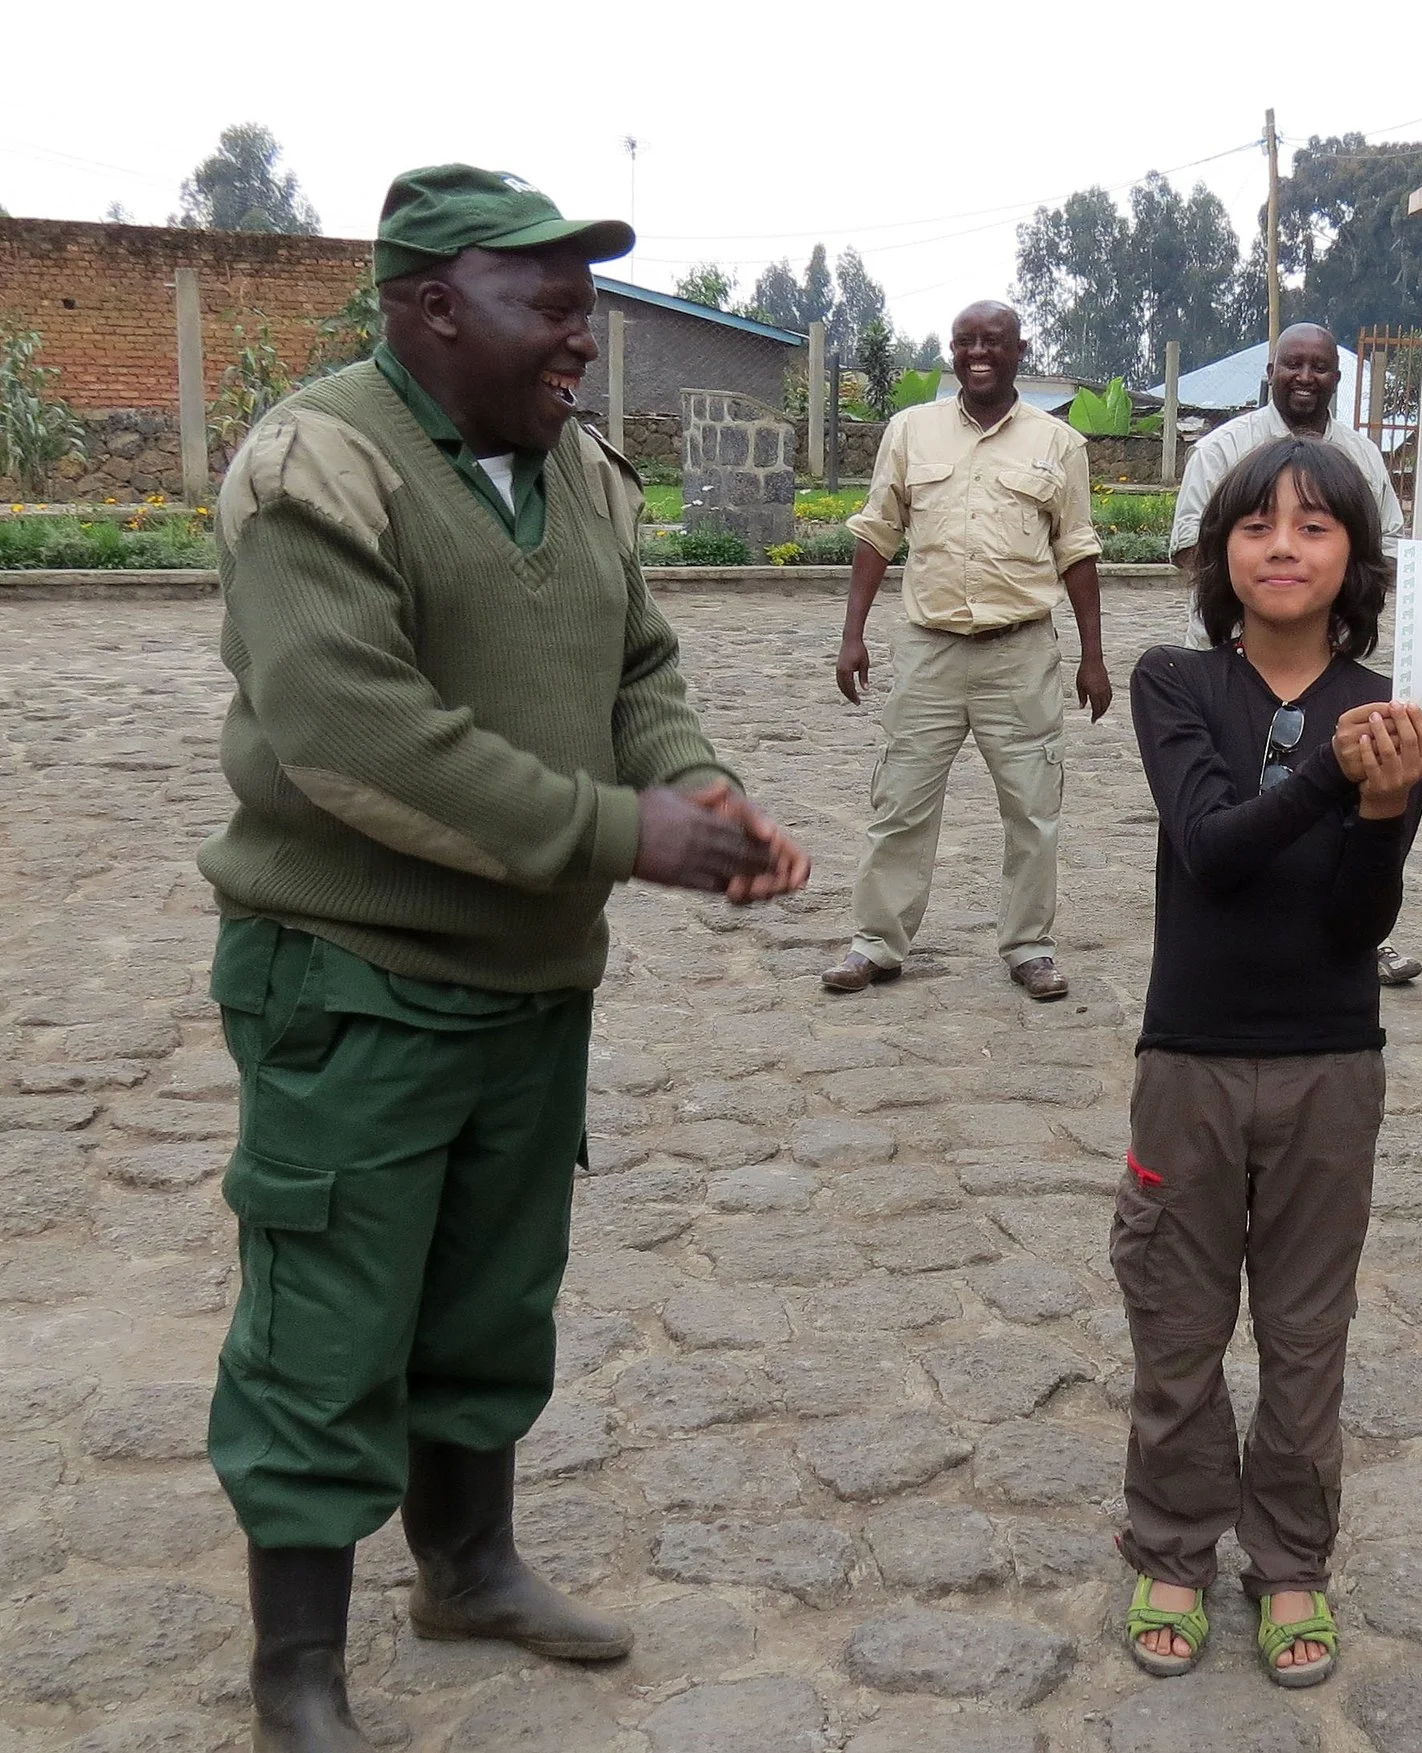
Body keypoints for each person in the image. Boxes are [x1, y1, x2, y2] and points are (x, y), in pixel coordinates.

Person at [199, 164, 812, 1752]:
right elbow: (352, 739)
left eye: (584, 303)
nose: (581, 336)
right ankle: (296, 1677)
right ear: (427, 306)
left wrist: (698, 791)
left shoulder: (578, 475)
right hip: (351, 982)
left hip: (530, 990)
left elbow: (641, 668)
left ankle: (467, 1567)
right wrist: (624, 835)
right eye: (547, 302)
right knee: (327, 1325)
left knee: (488, 1303)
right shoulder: (317, 466)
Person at [1115, 437, 1422, 1689]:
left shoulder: (1395, 711)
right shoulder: (1174, 682)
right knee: (1176, 1324)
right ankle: (1172, 1548)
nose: (1284, 547)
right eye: (1257, 525)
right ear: (1219, 551)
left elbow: (1361, 923)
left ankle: (1292, 1557)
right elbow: (1211, 847)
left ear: (1355, 557)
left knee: (1307, 1331)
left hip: (1329, 1065)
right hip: (1188, 1058)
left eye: (1313, 527)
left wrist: (1383, 805)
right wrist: (1331, 772)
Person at [822, 300, 1109, 1002]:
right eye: (965, 342)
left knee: (1033, 808)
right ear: (952, 353)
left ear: (1020, 351)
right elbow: (878, 532)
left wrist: (1093, 656)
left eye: (994, 341)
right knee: (900, 802)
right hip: (929, 651)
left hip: (1020, 652)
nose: (978, 353)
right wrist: (852, 633)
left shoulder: (1056, 444)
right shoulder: (910, 431)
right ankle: (875, 944)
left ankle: (1029, 946)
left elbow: (1076, 549)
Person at [1172, 322, 1422, 988]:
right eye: (1293, 366)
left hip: (1332, 657)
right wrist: (1263, 614)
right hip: (1234, 657)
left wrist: (1333, 618)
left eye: (1320, 367)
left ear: (1337, 378)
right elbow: (1190, 549)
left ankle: (1366, 938)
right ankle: (1239, 927)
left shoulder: (1364, 460)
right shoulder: (1223, 449)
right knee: (1242, 803)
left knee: (1355, 805)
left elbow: (1387, 549)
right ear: (1271, 371)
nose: (1306, 377)